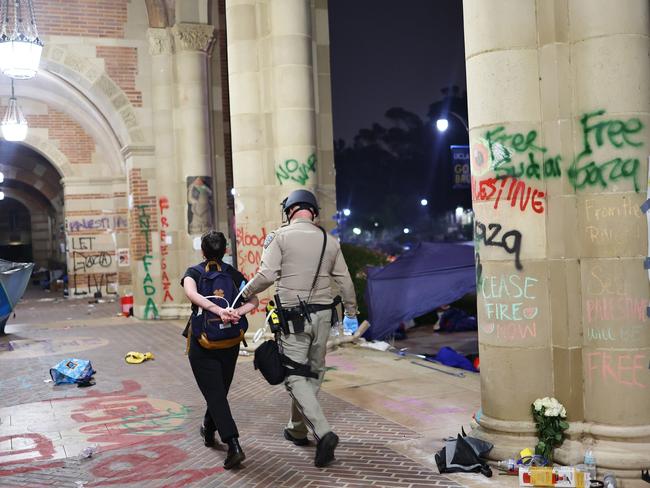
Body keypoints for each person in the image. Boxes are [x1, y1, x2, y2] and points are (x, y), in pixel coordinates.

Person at [240, 189, 358, 468]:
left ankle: (324, 432)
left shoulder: (279, 237)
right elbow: (346, 283)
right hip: (325, 318)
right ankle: (297, 428)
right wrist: (352, 312)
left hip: (294, 320)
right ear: (313, 211)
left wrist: (244, 293)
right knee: (313, 371)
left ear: (289, 210)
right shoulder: (331, 241)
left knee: (294, 376)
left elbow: (266, 275)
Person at [182, 230, 259, 469]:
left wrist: (215, 310)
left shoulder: (193, 272)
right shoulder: (234, 275)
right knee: (218, 393)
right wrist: (235, 313)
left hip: (202, 342)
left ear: (203, 251)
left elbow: (191, 294)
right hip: (230, 342)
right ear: (225, 251)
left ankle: (233, 443)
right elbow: (254, 300)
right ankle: (208, 430)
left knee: (215, 394)